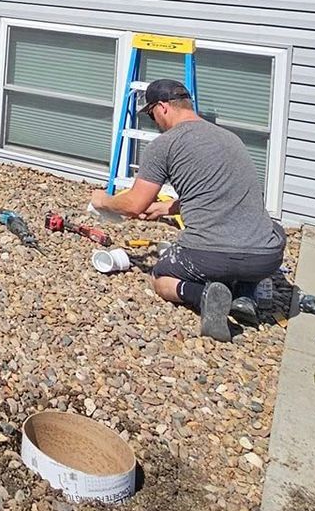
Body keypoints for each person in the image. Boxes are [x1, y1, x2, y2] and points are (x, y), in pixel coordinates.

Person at [90, 78, 285, 341]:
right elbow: (219, 194)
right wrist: (165, 208)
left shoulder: (165, 145)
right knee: (274, 229)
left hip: (209, 257)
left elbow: (134, 205)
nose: (154, 121)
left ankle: (203, 296)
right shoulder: (231, 139)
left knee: (160, 276)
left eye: (150, 114)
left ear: (162, 107)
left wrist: (103, 200)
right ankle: (246, 294)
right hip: (265, 259)